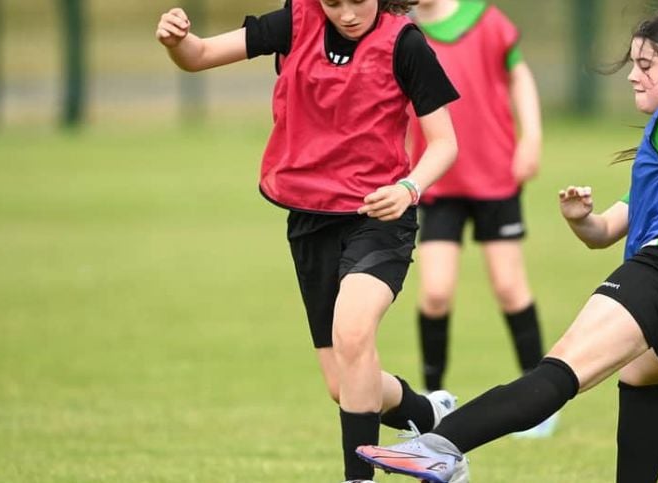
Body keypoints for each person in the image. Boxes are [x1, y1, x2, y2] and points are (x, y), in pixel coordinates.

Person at [356, 13, 658, 483]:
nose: (634, 75)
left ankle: (440, 446)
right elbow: (608, 231)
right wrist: (584, 221)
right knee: (639, 378)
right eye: (632, 64)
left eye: (646, 64)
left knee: (560, 368)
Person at [155, 1, 463, 482]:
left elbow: (444, 142)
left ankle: (357, 477)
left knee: (354, 332)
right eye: (332, 1)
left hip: (377, 215)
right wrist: (177, 42)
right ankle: (429, 419)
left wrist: (408, 188)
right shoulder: (295, 23)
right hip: (310, 219)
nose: (345, 13)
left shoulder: (405, 43)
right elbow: (198, 56)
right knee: (344, 385)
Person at [409, 0, 557, 438]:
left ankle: (540, 403)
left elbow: (520, 77)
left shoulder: (485, 18)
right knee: (435, 293)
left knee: (510, 287)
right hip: (437, 180)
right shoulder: (402, 30)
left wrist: (531, 137)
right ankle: (431, 404)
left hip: (495, 174)